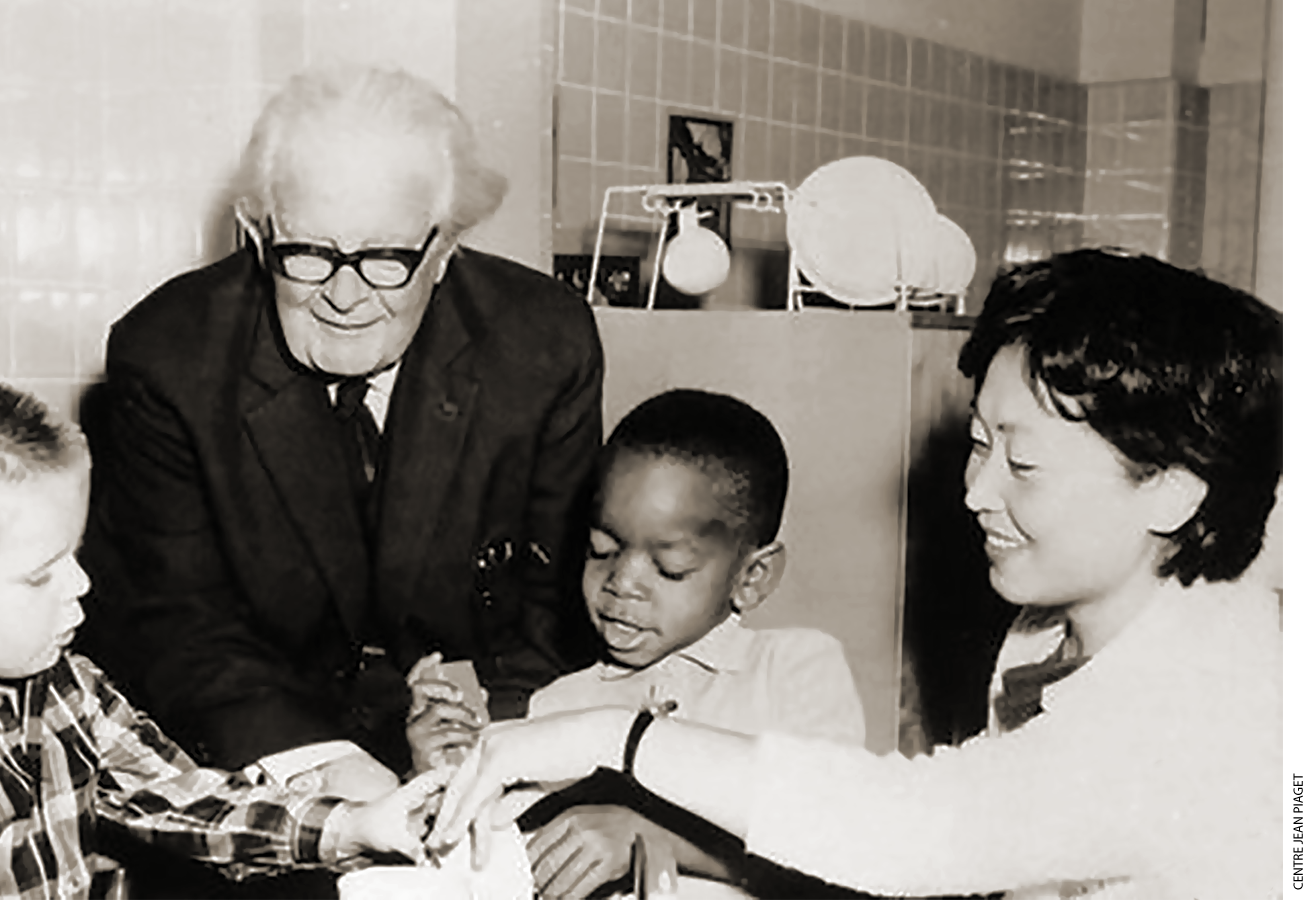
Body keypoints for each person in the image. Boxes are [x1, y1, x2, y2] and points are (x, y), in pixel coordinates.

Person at [428, 249, 1283, 900]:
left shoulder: (1208, 696)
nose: (973, 490)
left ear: (1171, 492)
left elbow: (916, 828)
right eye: (980, 443)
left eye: (1022, 465)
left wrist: (609, 737)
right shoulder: (1049, 633)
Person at [78, 63, 603, 794]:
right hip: (270, 754)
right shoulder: (169, 356)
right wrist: (340, 780)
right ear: (260, 238)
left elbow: (562, 606)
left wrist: (475, 738)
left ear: (444, 250)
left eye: (387, 258)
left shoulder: (543, 344)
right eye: (309, 254)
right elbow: (181, 625)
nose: (345, 297)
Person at [0, 370, 447, 900]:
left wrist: (358, 825)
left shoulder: (61, 683)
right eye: (39, 576)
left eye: (74, 555)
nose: (82, 585)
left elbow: (181, 801)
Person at [510, 389, 864, 899]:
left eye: (669, 568)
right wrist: (448, 771)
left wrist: (655, 843)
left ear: (752, 575)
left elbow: (835, 851)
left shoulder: (795, 671)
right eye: (601, 550)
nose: (622, 583)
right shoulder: (559, 703)